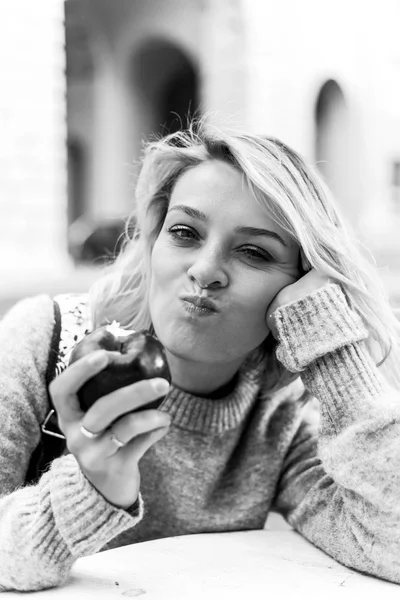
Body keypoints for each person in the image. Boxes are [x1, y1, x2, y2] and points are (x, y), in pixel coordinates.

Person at [1, 122, 400, 592]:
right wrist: (88, 489)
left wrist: (330, 346)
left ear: (298, 286)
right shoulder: (46, 340)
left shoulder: (281, 420)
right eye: (185, 232)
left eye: (253, 252)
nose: (206, 270)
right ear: (153, 242)